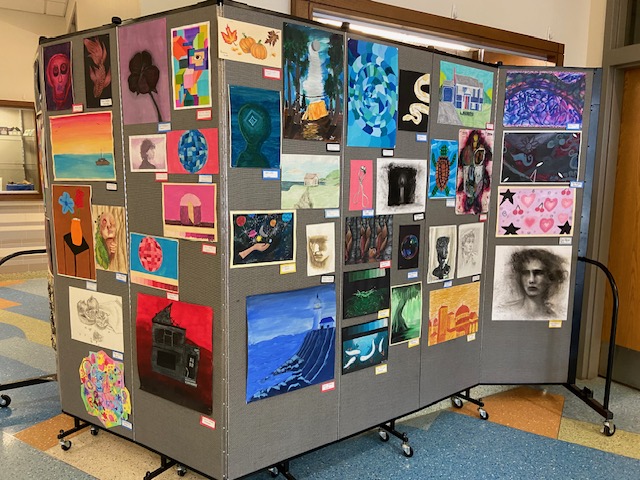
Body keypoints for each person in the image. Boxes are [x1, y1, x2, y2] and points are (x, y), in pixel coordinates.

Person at [500, 248, 568, 320]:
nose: (531, 280)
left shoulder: (554, 317)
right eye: (525, 273)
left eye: (538, 273)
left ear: (550, 277)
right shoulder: (505, 313)